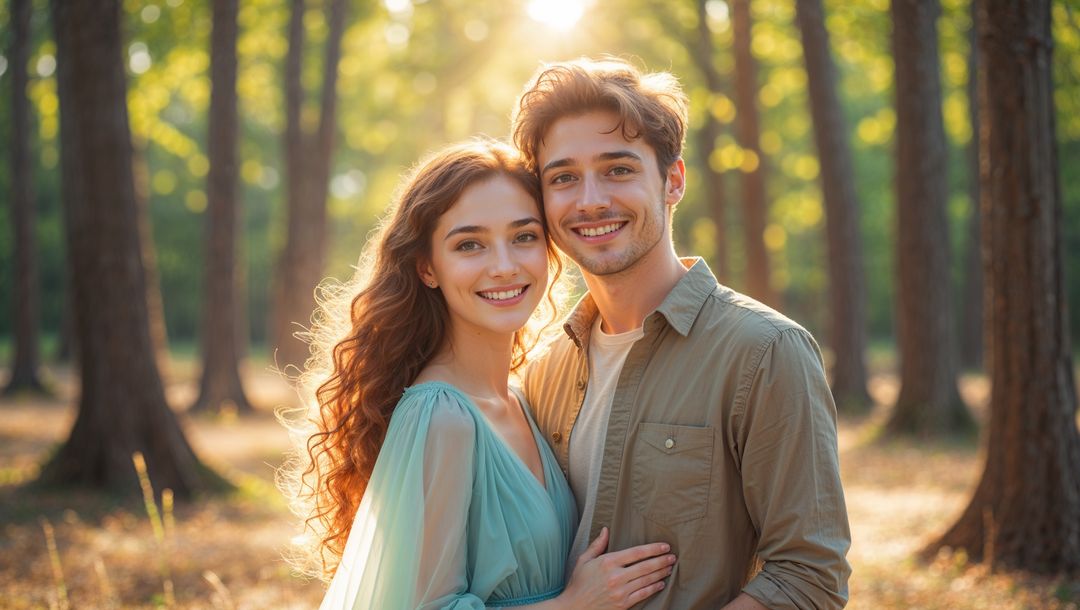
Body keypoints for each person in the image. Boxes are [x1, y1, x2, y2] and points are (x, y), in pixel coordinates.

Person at [511, 58, 852, 609]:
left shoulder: (765, 353)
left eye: (618, 169)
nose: (590, 200)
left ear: (673, 181)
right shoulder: (544, 371)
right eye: (564, 178)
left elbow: (807, 577)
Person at [285, 139, 677, 609]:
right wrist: (574, 605)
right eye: (470, 245)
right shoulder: (443, 417)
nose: (504, 267)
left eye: (524, 237)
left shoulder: (521, 398)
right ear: (428, 268)